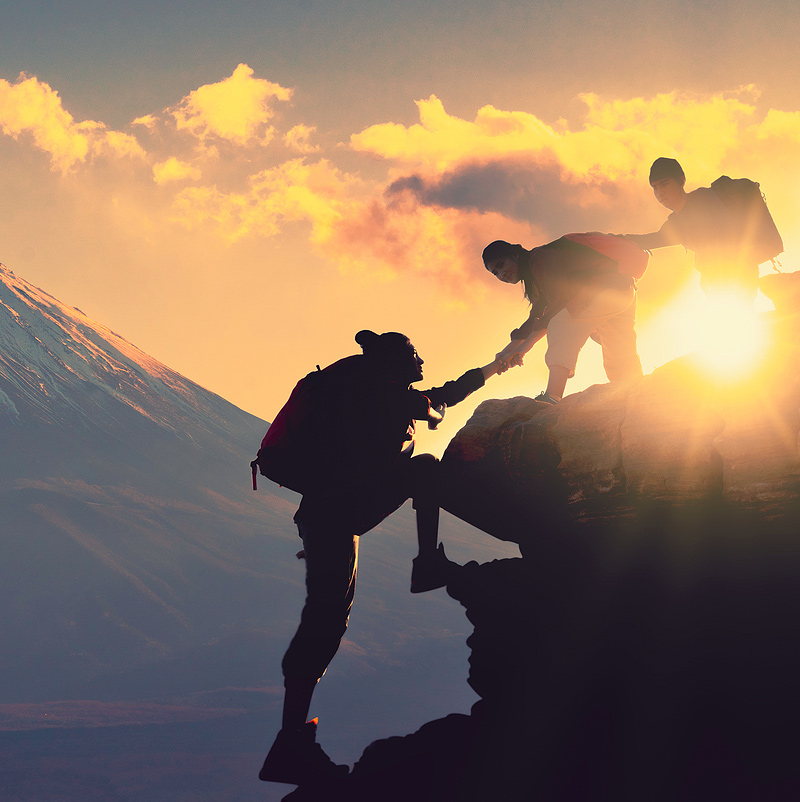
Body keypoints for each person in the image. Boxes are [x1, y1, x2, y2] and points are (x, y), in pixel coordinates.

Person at [259, 330, 508, 786]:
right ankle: (427, 563)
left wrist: (490, 370)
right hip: (337, 516)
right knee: (325, 619)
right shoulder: (385, 397)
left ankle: (292, 738)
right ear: (395, 361)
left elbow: (438, 397)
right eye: (415, 355)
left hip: (327, 515)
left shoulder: (359, 389)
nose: (422, 363)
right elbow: (437, 401)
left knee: (327, 619)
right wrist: (437, 405)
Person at [483, 233, 647, 404]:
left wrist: (525, 347)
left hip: (605, 290)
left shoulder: (540, 259)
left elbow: (558, 302)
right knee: (619, 350)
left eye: (502, 265)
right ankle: (636, 395)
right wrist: (506, 353)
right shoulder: (536, 272)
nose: (502, 274)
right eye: (495, 273)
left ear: (515, 255)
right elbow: (535, 319)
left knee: (559, 323)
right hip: (621, 289)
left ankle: (552, 397)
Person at [623, 157, 757, 299]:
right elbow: (656, 239)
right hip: (716, 280)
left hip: (738, 275)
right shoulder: (676, 220)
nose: (660, 193)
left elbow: (727, 234)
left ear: (681, 181)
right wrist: (618, 238)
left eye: (664, 184)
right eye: (655, 188)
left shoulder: (703, 198)